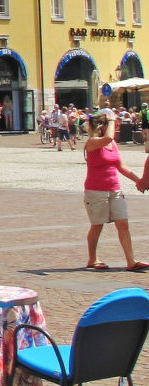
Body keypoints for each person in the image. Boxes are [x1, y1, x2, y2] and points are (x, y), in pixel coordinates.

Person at [82, 108, 146, 271]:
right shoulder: (92, 142)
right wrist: (111, 118)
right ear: (102, 125)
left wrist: (138, 181)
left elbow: (120, 165)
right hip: (95, 190)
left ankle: (131, 261)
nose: (115, 125)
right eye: (112, 123)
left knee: (123, 223)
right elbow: (109, 136)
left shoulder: (112, 144)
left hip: (114, 189)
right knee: (97, 225)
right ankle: (92, 259)